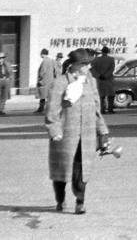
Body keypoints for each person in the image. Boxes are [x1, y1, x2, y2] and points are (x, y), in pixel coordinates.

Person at [45, 48, 110, 215]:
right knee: (62, 170)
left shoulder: (91, 82)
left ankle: (80, 201)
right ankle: (60, 199)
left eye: (88, 64)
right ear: (74, 65)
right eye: (84, 64)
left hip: (86, 134)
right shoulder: (60, 82)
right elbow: (52, 110)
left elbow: (97, 109)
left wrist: (102, 131)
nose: (87, 68)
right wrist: (54, 130)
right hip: (65, 134)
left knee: (81, 170)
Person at [89, 46, 117, 114]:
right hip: (108, 79)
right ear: (108, 51)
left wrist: (99, 76)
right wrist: (106, 75)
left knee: (101, 95)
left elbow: (93, 69)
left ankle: (102, 109)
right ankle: (110, 109)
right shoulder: (111, 59)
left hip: (99, 79)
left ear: (102, 51)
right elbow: (112, 69)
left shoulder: (96, 60)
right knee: (111, 95)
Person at [35, 49, 58, 114]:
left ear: (43, 54)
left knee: (43, 95)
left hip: (44, 81)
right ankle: (48, 109)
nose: (40, 55)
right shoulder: (52, 61)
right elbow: (55, 71)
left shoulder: (45, 61)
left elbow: (42, 71)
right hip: (50, 80)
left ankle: (41, 108)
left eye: (41, 53)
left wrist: (40, 79)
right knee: (48, 96)